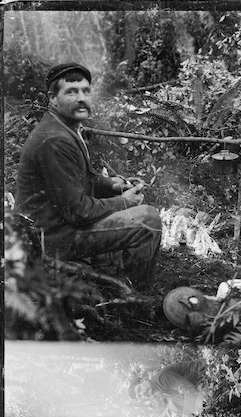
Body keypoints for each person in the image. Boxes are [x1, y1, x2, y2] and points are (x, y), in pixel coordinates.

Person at [15, 62, 162, 291]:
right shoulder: (55, 140)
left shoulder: (65, 127)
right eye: (71, 92)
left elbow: (83, 179)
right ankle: (133, 303)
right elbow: (78, 211)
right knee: (147, 220)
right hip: (49, 239)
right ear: (52, 98)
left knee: (134, 214)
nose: (81, 98)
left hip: (54, 229)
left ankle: (117, 286)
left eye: (85, 91)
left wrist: (114, 186)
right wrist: (124, 201)